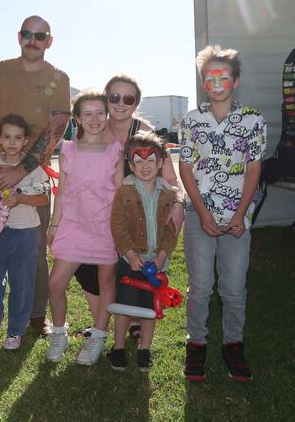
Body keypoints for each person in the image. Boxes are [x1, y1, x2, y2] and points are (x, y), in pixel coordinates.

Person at [0, 14, 71, 336]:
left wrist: (23, 169)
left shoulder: (59, 77)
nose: (33, 40)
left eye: (40, 36)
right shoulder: (0, 70)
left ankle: (36, 316)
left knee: (33, 247)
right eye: (28, 34)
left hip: (33, 172)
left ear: (49, 41)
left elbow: (58, 127)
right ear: (19, 37)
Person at [74, 74, 186, 344]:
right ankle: (102, 326)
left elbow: (171, 180)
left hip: (134, 218)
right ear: (106, 98)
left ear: (136, 102)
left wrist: (179, 202)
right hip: (98, 216)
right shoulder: (94, 129)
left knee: (133, 270)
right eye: (114, 97)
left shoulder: (144, 132)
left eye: (128, 98)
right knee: (86, 268)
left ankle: (135, 322)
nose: (120, 104)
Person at [179, 45, 266, 382]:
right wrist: (201, 214)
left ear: (236, 80)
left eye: (223, 76)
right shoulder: (192, 120)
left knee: (233, 287)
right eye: (210, 76)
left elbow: (254, 170)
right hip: (199, 214)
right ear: (203, 83)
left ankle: (233, 346)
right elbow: (186, 168)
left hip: (237, 219)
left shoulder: (253, 119)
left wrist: (240, 215)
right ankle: (196, 344)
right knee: (200, 286)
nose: (217, 82)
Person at [46, 91, 123, 365]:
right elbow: (63, 191)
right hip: (73, 227)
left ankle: (99, 337)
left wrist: (121, 231)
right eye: (87, 114)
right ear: (77, 117)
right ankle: (59, 333)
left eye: (100, 113)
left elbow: (121, 193)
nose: (94, 119)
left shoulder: (115, 151)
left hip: (105, 228)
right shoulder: (68, 149)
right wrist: (54, 224)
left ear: (107, 115)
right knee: (55, 283)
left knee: (106, 283)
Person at [107, 131, 179, 372]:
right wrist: (130, 254)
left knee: (150, 309)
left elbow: (171, 231)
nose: (145, 166)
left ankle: (145, 349)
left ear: (160, 163)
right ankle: (117, 347)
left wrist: (161, 257)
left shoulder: (169, 194)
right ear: (130, 164)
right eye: (139, 161)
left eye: (151, 161)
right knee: (125, 307)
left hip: (157, 266)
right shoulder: (124, 192)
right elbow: (117, 226)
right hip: (130, 262)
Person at [0, 114, 49, 350]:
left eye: (17, 138)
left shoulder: (33, 167)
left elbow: (43, 199)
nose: (12, 142)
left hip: (25, 233)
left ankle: (15, 331)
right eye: (7, 137)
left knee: (21, 284)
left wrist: (21, 199)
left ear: (25, 141)